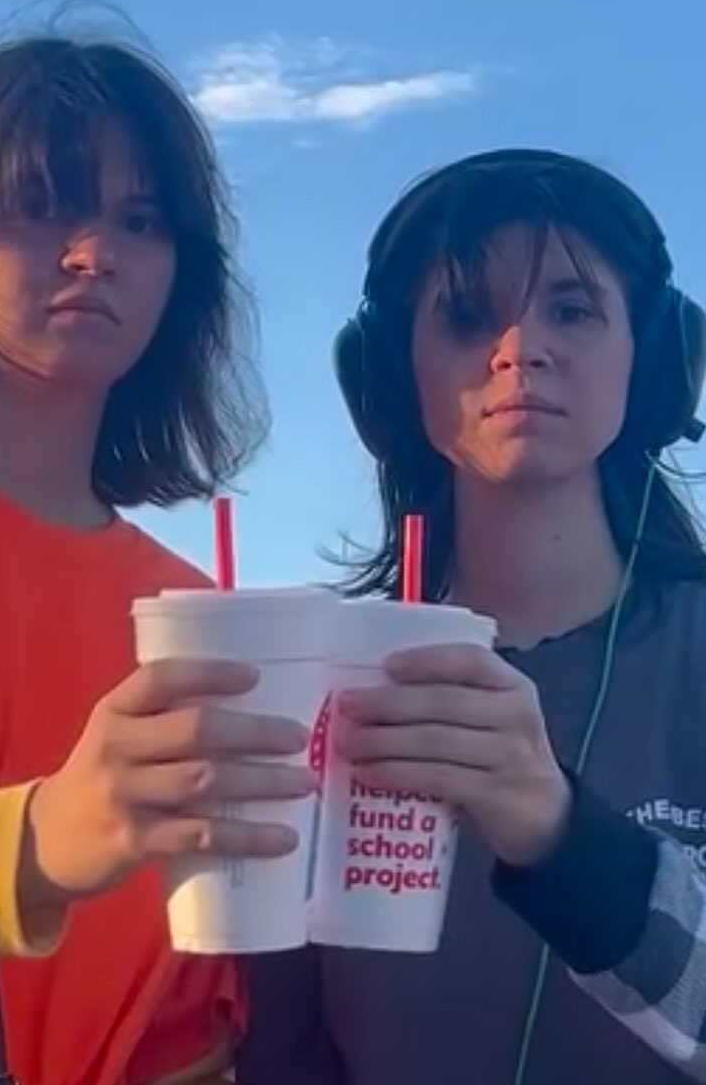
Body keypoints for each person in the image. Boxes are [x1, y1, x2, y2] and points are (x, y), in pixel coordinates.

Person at [0, 32, 316, 1085]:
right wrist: (29, 842)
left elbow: (182, 1021)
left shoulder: (189, 611)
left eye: (142, 220)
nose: (95, 253)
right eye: (41, 205)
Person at [236, 148, 706, 1084]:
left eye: (571, 309)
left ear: (652, 360)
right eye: (465, 316)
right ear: (390, 381)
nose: (520, 348)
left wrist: (564, 837)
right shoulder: (319, 681)